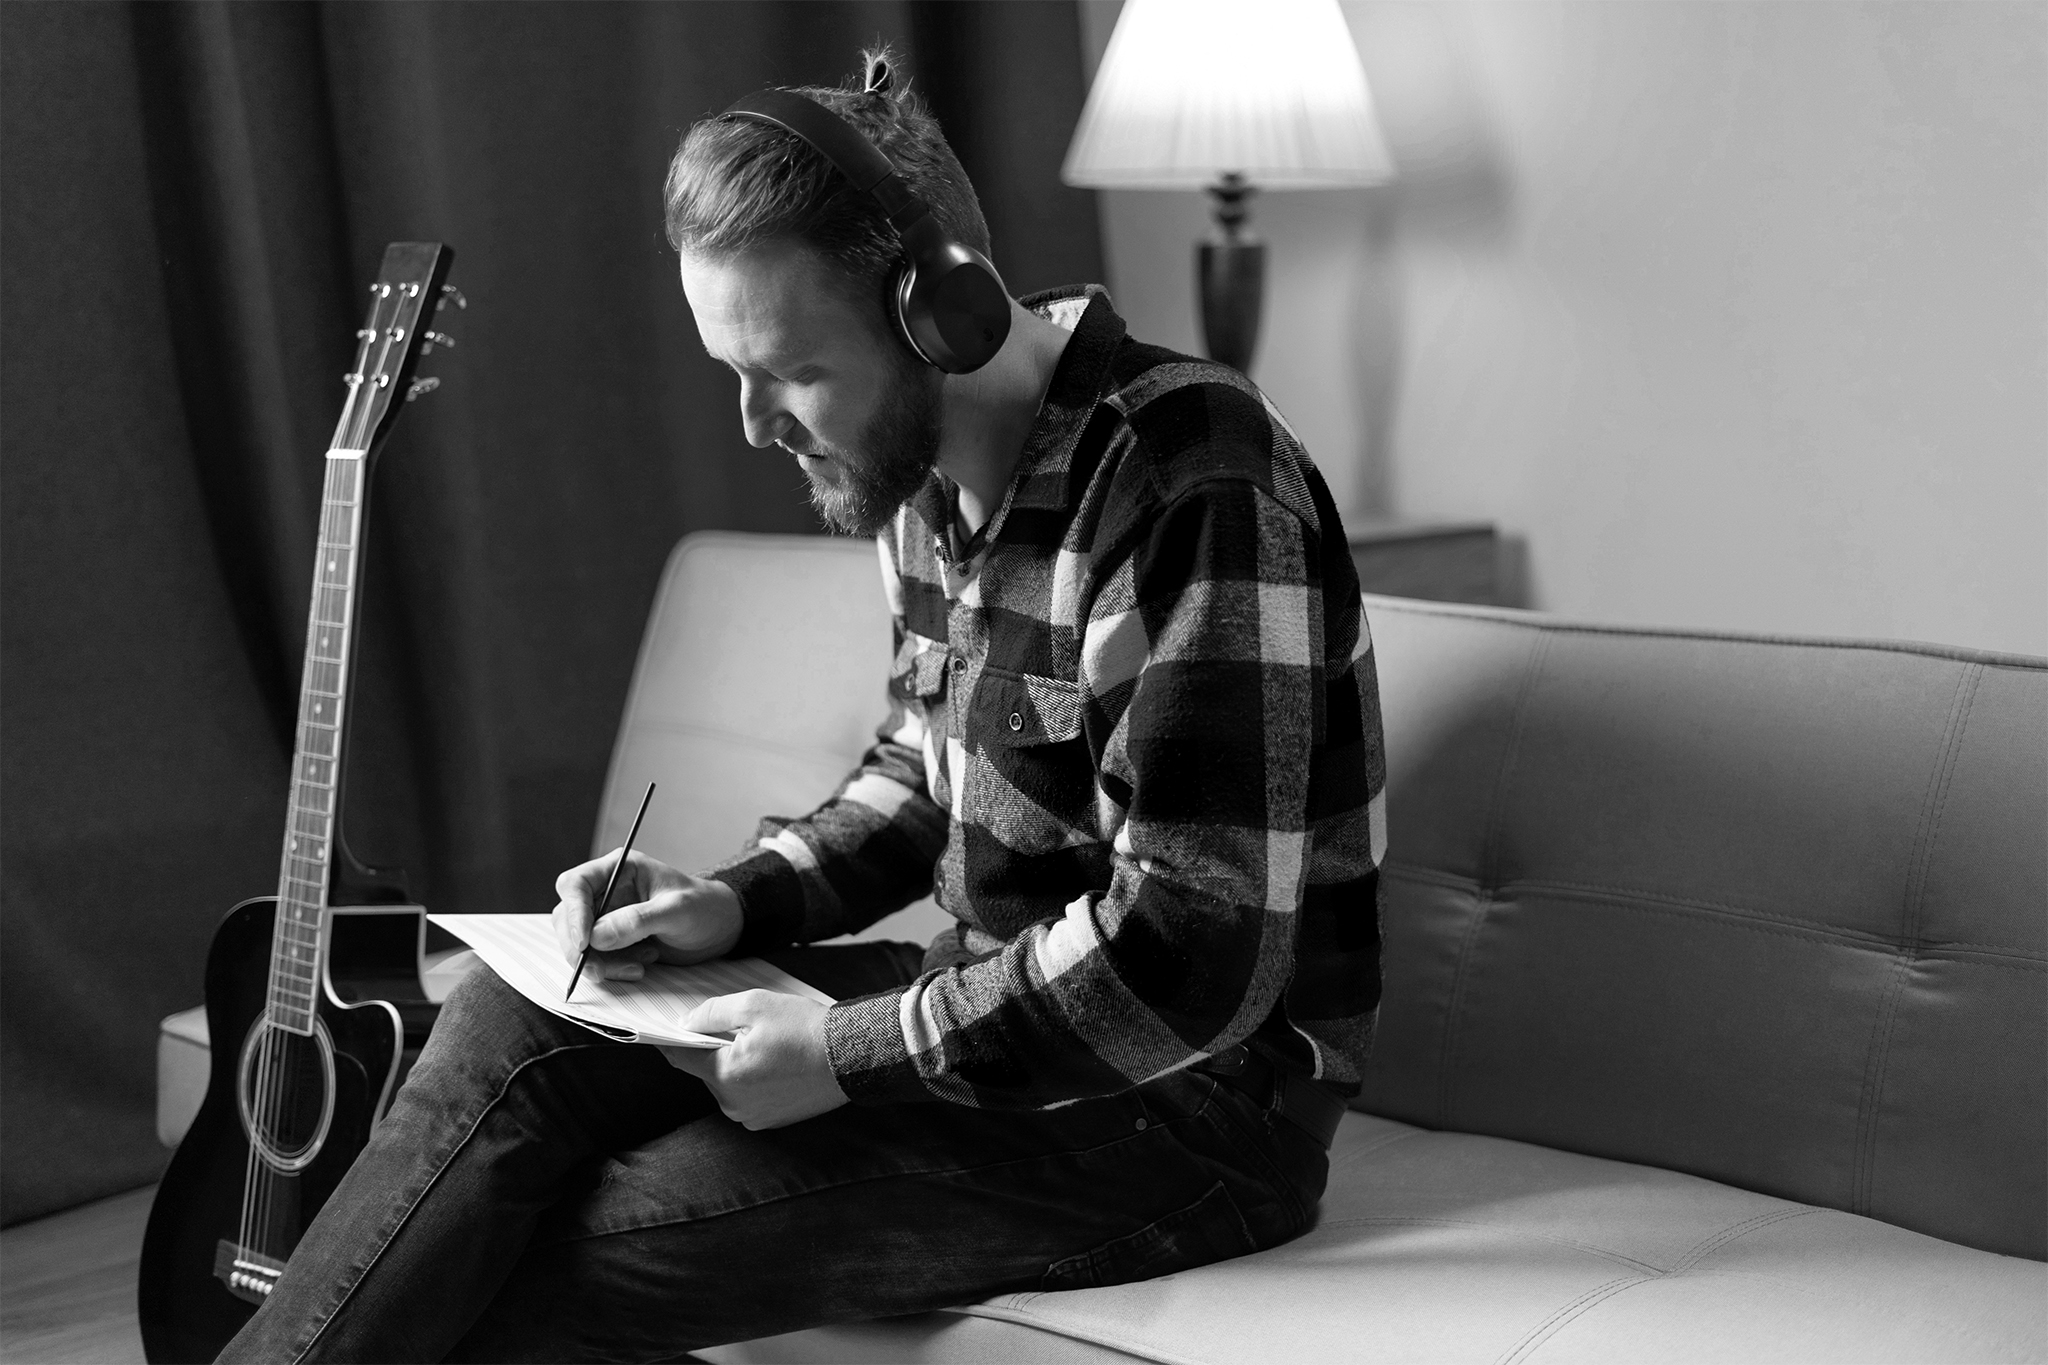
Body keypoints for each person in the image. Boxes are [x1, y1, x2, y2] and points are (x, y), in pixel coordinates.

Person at [219, 47, 1385, 1364]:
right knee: (517, 1005)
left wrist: (846, 1050)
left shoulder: (1190, 482)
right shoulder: (915, 470)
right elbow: (916, 771)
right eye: (732, 369)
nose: (756, 423)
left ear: (944, 316)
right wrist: (731, 902)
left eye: (789, 372)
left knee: (522, 1249)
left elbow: (1192, 954)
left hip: (1190, 1115)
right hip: (996, 1014)